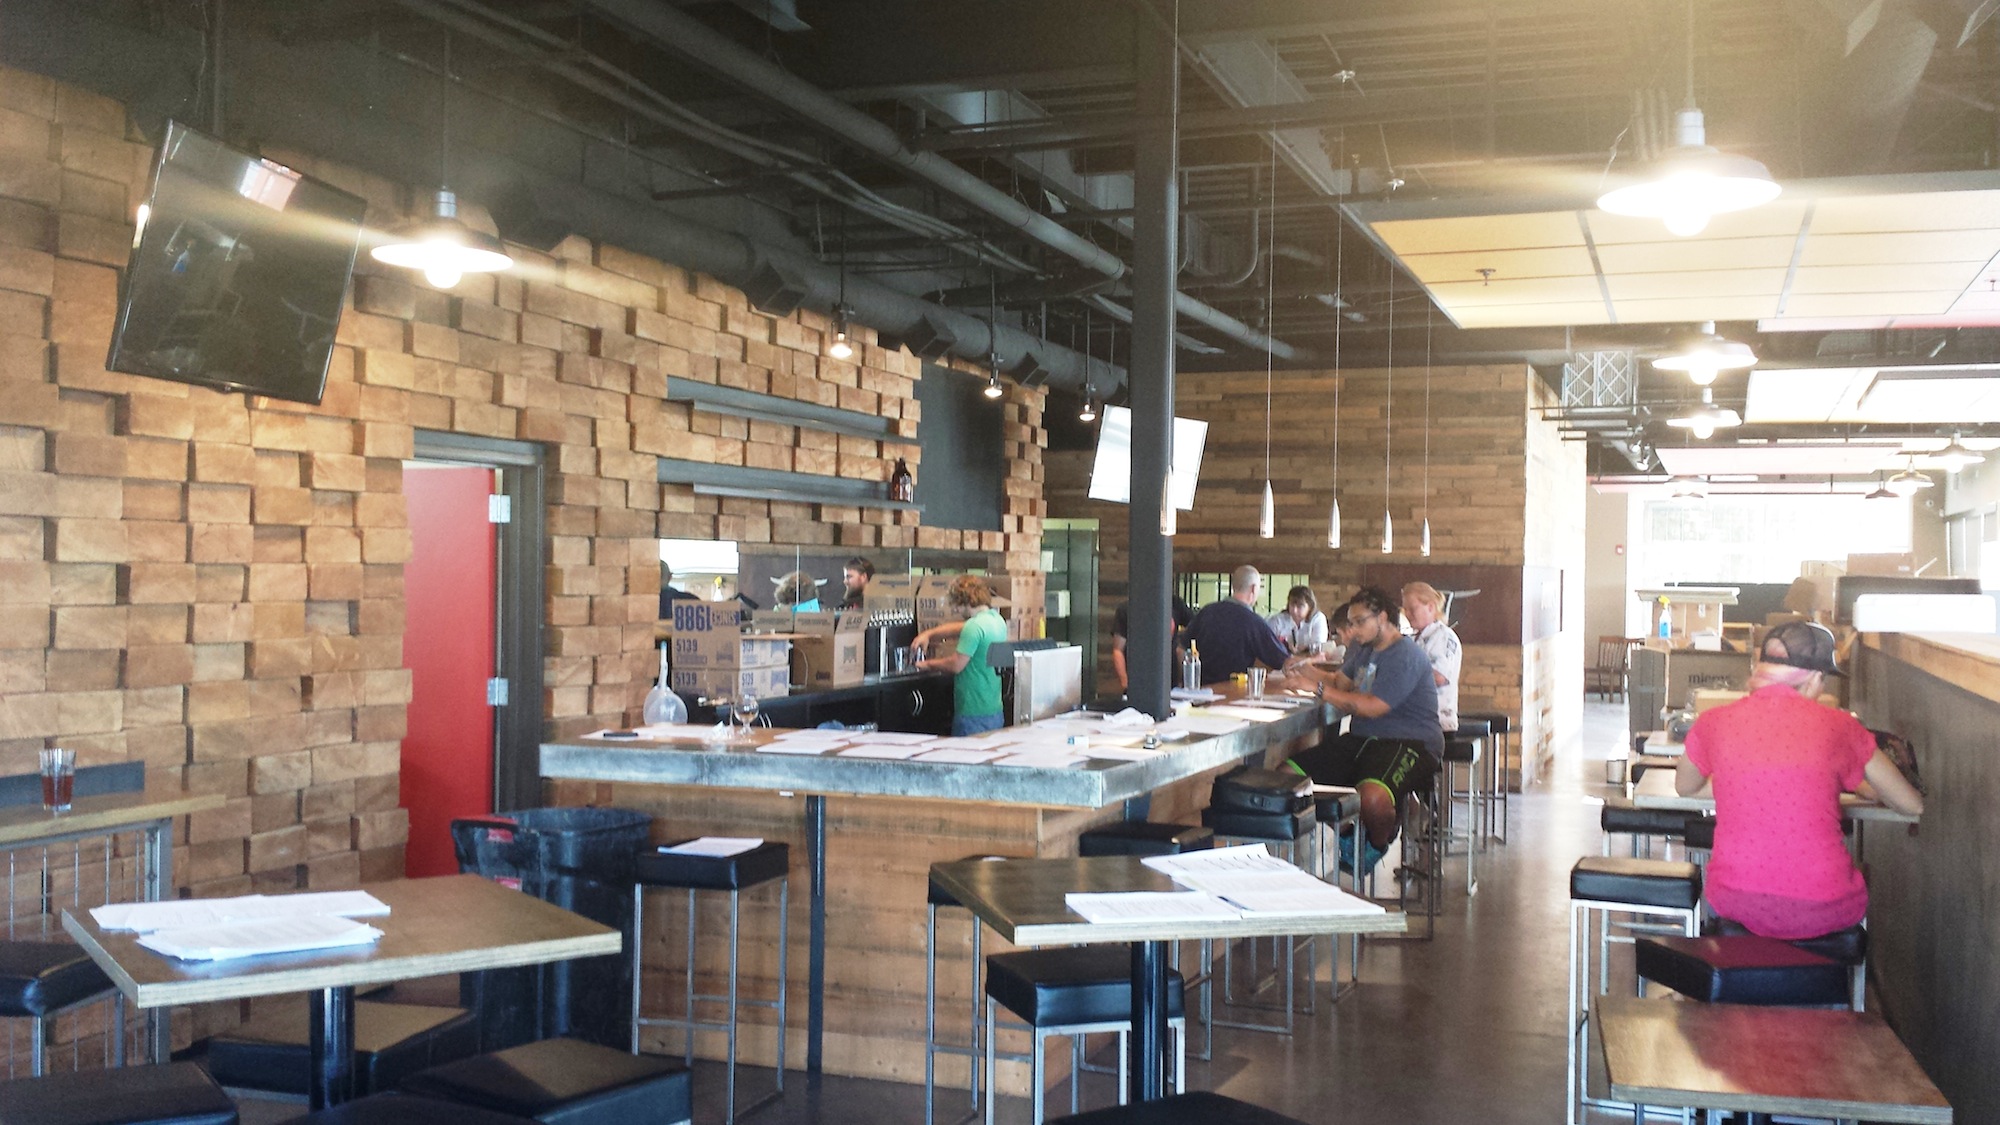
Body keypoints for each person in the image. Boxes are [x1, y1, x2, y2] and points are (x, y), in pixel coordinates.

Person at [1676, 621, 1923, 940]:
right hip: (1825, 905)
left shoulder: (1713, 721)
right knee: (1860, 872)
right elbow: (1911, 805)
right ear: (1816, 679)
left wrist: (1738, 781)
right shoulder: (1840, 726)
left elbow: (1686, 787)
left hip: (1734, 899)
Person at [1285, 586, 1444, 873]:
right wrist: (1304, 669)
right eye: (1351, 623)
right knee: (1288, 778)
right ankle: (1348, 832)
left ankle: (1376, 841)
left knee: (1372, 796)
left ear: (1382, 617)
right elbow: (1341, 682)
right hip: (1363, 738)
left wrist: (1317, 689)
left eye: (1359, 622)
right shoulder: (1364, 649)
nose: (1353, 630)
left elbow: (1373, 706)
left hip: (1411, 741)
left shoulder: (1405, 655)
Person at [914, 575, 1009, 736]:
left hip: (972, 713)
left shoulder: (973, 626)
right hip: (995, 710)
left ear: (965, 600)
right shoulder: (997, 621)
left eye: (956, 604)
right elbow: (958, 628)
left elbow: (956, 665)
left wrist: (927, 664)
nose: (956, 610)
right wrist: (928, 634)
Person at [1183, 566, 1292, 685]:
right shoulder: (1253, 622)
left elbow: (1181, 648)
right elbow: (1283, 660)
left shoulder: (1206, 612)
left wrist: (1186, 682)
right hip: (1235, 690)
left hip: (1200, 689)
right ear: (1254, 589)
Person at [1401, 582, 1462, 733]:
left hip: (1436, 723)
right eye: (1405, 609)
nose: (1407, 614)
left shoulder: (1444, 636)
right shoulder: (1413, 638)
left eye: (1412, 609)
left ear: (1431, 607)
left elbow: (1438, 677)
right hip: (1416, 720)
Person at [1110, 594, 1195, 692]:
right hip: (1139, 682)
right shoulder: (1127, 608)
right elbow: (1118, 650)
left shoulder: (1175, 603)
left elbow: (1194, 626)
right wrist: (1125, 683)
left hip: (1171, 683)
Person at [1266, 585, 1329, 656]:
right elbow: (1266, 642)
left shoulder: (1318, 619)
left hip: (1311, 659)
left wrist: (1306, 648)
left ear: (1310, 606)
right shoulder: (1278, 620)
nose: (1294, 610)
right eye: (1292, 605)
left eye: (1300, 606)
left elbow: (1320, 646)